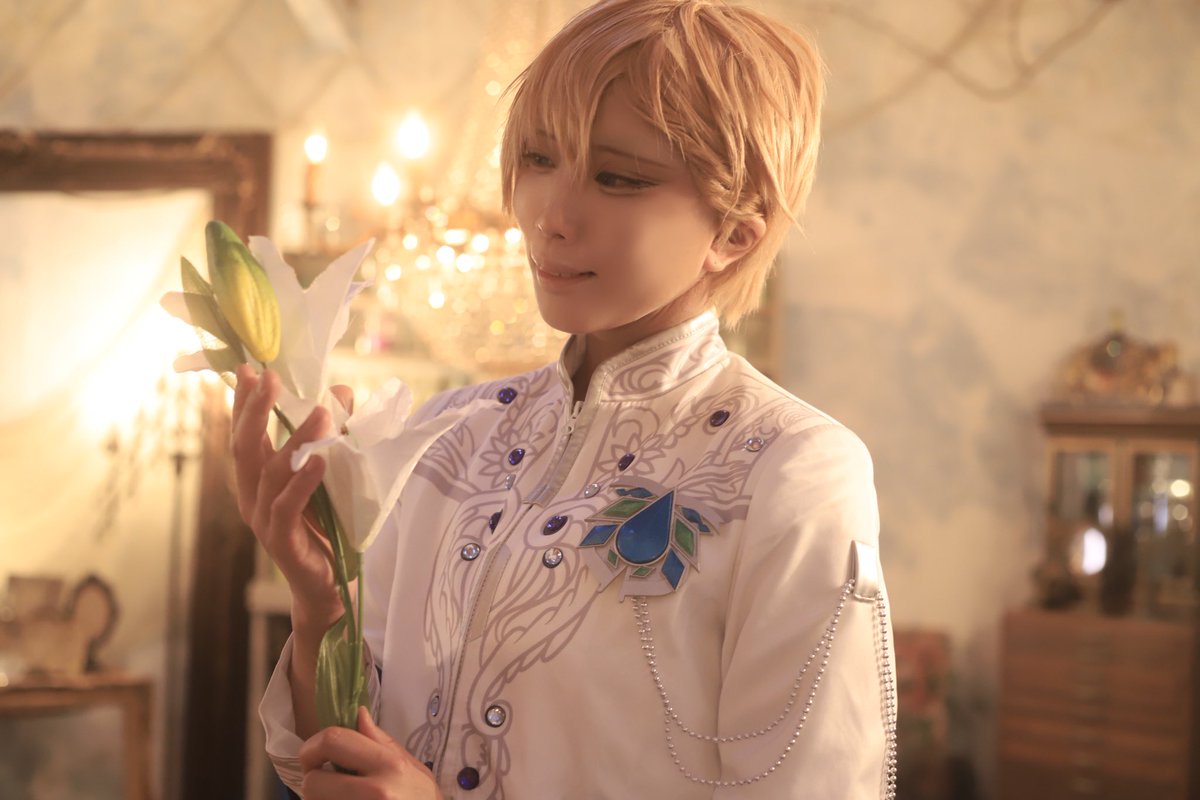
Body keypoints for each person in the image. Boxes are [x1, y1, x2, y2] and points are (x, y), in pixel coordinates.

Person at [233, 0, 895, 797]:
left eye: (618, 177)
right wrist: (321, 604)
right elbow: (342, 759)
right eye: (538, 158)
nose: (550, 215)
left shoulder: (794, 472)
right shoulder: (443, 439)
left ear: (735, 230)